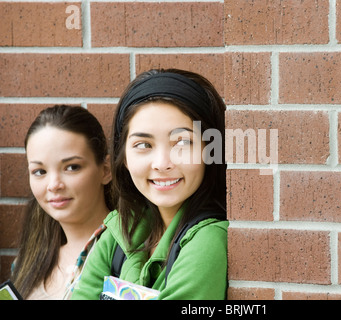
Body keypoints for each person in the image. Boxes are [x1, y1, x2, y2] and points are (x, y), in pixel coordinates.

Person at [71, 69, 228, 300]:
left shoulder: (208, 241)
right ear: (123, 155)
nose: (162, 163)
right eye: (143, 145)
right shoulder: (118, 233)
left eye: (182, 142)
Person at [10, 105, 113, 300]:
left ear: (106, 169)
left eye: (72, 167)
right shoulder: (26, 265)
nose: (54, 185)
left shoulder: (132, 253)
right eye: (40, 171)